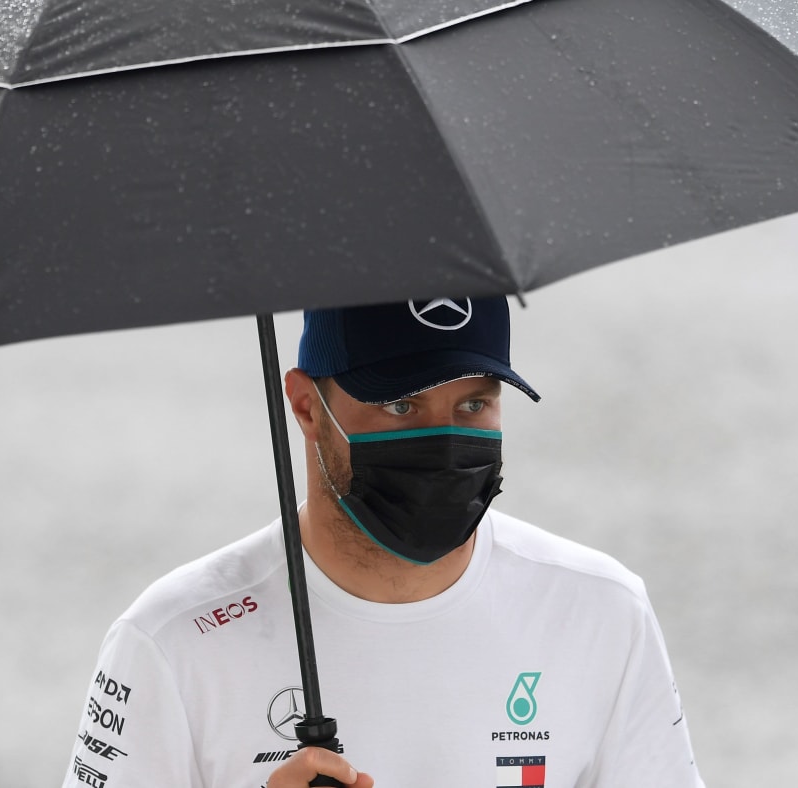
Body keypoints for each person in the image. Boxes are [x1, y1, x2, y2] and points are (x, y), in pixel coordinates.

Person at [62, 296, 703, 788]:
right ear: (306, 405)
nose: (444, 437)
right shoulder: (171, 640)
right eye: (401, 406)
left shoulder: (602, 611)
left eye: (474, 405)